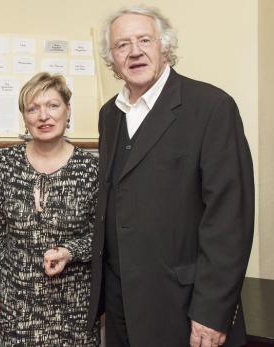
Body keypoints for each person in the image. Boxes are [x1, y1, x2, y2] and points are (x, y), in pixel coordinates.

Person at [89, 5, 255, 347]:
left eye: (144, 40)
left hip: (186, 308)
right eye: (122, 45)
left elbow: (229, 219)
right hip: (122, 308)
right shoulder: (110, 115)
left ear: (164, 46)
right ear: (112, 58)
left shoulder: (211, 107)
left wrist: (212, 312)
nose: (135, 51)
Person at [0, 72, 100, 346]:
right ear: (24, 117)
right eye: (33, 108)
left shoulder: (91, 168)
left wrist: (70, 252)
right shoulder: (7, 163)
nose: (43, 116)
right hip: (16, 306)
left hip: (73, 308)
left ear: (68, 110)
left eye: (52, 105)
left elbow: (102, 237)